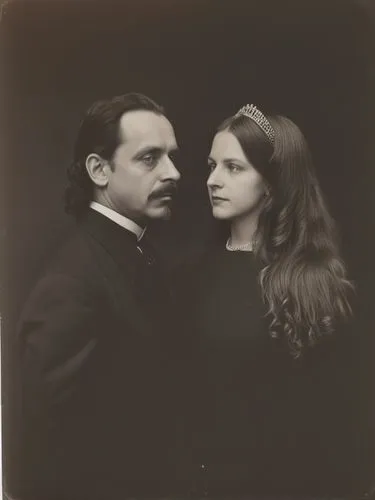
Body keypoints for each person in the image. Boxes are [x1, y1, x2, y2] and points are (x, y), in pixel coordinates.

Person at [174, 104, 362, 497]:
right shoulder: (191, 273)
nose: (213, 180)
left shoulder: (311, 280)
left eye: (234, 167)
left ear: (272, 183)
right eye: (212, 165)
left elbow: (331, 421)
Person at [11, 93, 181, 500]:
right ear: (99, 170)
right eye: (149, 158)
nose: (173, 172)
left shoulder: (140, 253)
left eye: (172, 156)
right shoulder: (70, 282)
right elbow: (41, 455)